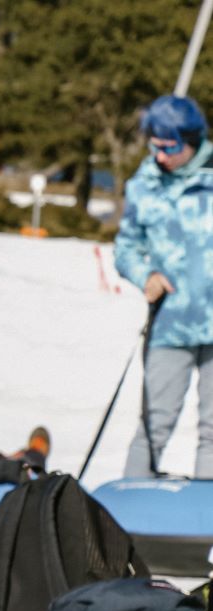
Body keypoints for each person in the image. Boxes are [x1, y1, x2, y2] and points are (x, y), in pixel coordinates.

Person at [115, 95, 213, 479]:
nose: (160, 156)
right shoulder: (144, 186)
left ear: (193, 141)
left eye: (169, 147)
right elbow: (125, 248)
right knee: (153, 425)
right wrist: (145, 276)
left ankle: (206, 526)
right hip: (171, 325)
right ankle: (126, 519)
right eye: (154, 146)